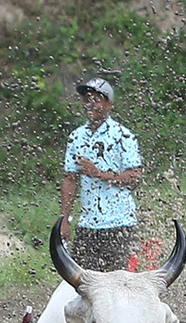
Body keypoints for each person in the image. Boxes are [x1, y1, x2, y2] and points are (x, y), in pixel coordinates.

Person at [60, 76, 143, 269]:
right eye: (86, 99)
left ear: (108, 104)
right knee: (82, 283)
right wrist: (64, 220)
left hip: (119, 223)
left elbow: (135, 175)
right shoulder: (76, 137)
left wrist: (99, 174)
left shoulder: (123, 135)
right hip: (87, 224)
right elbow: (70, 179)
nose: (90, 104)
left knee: (117, 284)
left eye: (96, 99)